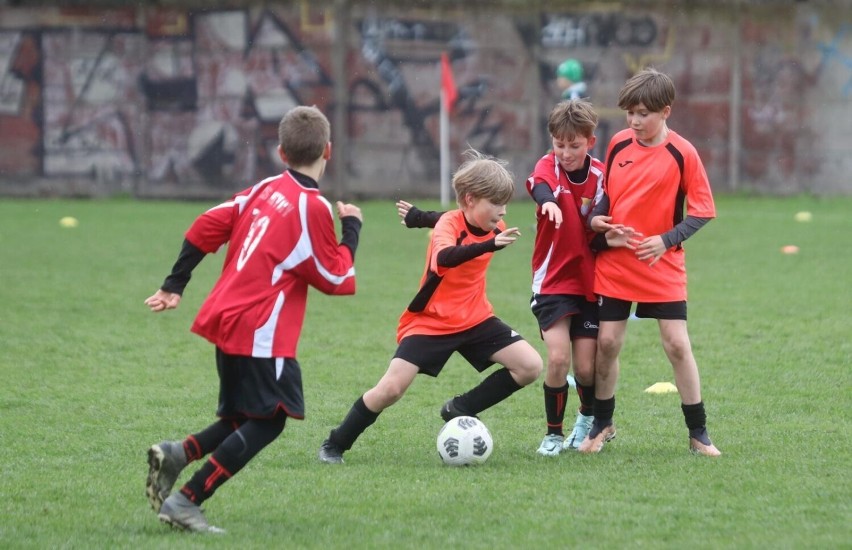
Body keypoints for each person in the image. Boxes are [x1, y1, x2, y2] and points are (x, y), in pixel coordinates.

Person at [143, 105, 363, 532]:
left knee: (243, 417)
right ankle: (187, 500)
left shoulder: (266, 187)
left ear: (281, 152)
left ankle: (178, 453)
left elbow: (206, 225)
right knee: (271, 419)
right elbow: (334, 275)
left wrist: (175, 284)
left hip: (228, 320)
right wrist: (352, 227)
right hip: (262, 329)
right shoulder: (311, 207)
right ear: (328, 150)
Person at [317, 149, 543, 464]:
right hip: (430, 322)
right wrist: (488, 244)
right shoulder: (454, 230)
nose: (502, 210)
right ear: (469, 199)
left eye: (504, 202)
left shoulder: (491, 222)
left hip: (476, 318)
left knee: (530, 366)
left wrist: (418, 217)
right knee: (391, 389)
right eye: (495, 202)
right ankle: (335, 444)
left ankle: (460, 408)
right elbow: (443, 258)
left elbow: (446, 218)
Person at [581, 67, 721, 457]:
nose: (634, 121)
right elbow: (607, 194)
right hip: (616, 261)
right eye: (630, 112)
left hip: (662, 265)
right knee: (607, 343)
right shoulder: (619, 144)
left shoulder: (683, 153)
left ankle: (699, 434)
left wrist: (665, 240)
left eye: (643, 113)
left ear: (666, 112)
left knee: (677, 345)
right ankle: (602, 423)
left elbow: (702, 211)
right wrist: (598, 220)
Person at [525, 99, 636, 456]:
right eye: (560, 145)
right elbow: (539, 187)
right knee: (558, 359)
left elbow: (597, 227)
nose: (566, 153)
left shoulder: (603, 176)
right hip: (553, 282)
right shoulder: (547, 167)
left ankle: (587, 421)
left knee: (587, 368)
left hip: (590, 283)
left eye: (574, 146)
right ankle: (553, 435)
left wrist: (610, 237)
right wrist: (550, 203)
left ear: (590, 141)